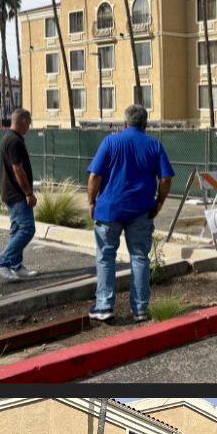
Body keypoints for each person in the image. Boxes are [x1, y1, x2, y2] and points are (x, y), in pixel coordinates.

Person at [86, 104, 174, 323]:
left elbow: (95, 176)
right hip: (141, 210)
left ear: (125, 123)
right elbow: (165, 179)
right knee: (139, 257)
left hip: (109, 210)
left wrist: (90, 201)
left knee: (106, 257)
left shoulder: (110, 142)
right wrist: (160, 202)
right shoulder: (154, 145)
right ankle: (140, 309)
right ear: (145, 124)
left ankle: (105, 306)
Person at [0, 107, 39, 281]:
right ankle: (2, 263)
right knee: (27, 229)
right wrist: (28, 193)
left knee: (17, 229)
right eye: (29, 122)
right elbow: (17, 169)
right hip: (17, 194)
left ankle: (16, 265)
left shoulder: (9, 138)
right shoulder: (14, 141)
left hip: (10, 192)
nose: (30, 126)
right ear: (24, 121)